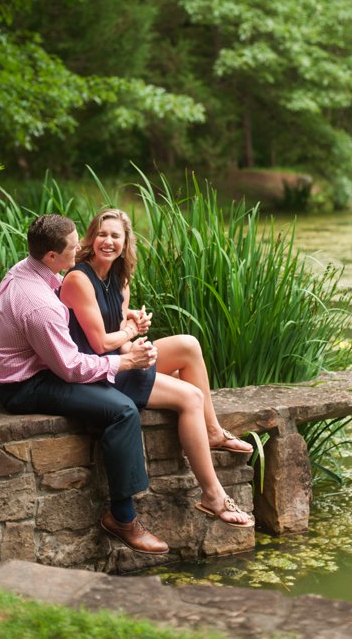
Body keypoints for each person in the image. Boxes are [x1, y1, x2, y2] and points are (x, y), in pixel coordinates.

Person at [0, 214, 169, 554]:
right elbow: (70, 368)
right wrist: (125, 361)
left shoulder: (31, 268)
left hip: (33, 368)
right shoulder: (39, 306)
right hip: (24, 386)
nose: (81, 246)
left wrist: (121, 319)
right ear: (52, 255)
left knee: (118, 390)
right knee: (123, 411)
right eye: (73, 245)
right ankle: (123, 519)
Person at [59, 208, 254, 529]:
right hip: (95, 373)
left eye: (116, 236)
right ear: (91, 238)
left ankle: (212, 431)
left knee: (189, 345)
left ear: (125, 242)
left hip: (119, 360)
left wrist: (139, 348)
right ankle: (213, 496)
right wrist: (131, 332)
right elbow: (100, 343)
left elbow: (120, 342)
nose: (108, 241)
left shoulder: (120, 280)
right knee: (190, 396)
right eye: (102, 234)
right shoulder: (79, 279)